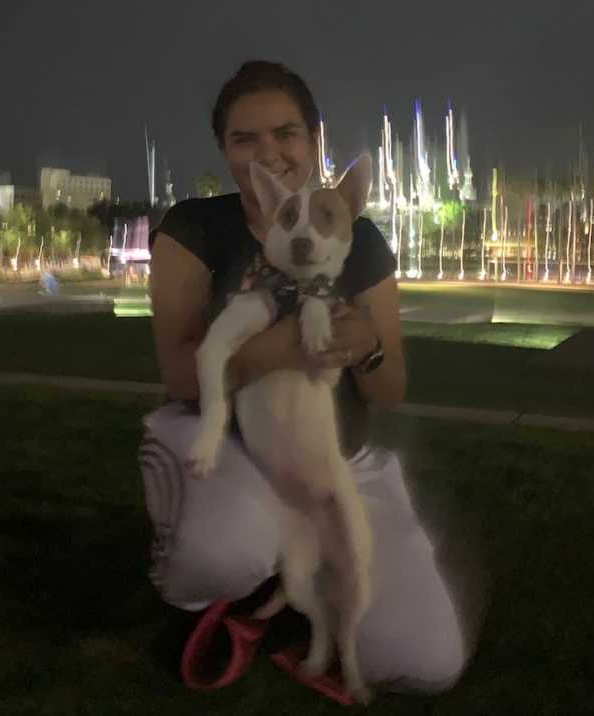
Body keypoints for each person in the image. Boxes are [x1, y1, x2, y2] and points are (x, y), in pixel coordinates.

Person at [141, 60, 468, 693]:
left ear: (315, 138)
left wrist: (368, 346)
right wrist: (286, 344)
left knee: (428, 663)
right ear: (224, 149)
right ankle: (237, 591)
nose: (270, 152)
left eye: (286, 133)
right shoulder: (194, 229)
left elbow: (389, 389)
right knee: (219, 554)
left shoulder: (360, 239)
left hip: (337, 458)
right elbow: (182, 374)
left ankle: (296, 602)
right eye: (246, 139)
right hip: (233, 441)